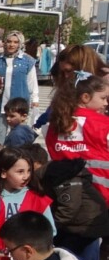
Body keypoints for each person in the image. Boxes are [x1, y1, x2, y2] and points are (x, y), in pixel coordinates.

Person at [46, 73, 109, 204]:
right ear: (85, 97)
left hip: (64, 194)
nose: (106, 103)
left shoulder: (55, 124)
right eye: (103, 98)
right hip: (100, 196)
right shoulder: (103, 124)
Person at [0, 30, 39, 144]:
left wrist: (35, 99)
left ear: (20, 44)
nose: (11, 44)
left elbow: (32, 82)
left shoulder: (27, 60)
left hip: (19, 104)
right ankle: (0, 159)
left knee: (19, 134)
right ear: (4, 42)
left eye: (15, 42)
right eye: (9, 41)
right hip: (0, 103)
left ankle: (18, 158)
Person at [0, 147, 55, 232]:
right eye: (20, 171)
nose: (26, 176)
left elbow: (50, 231)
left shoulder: (38, 199)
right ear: (3, 173)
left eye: (29, 171)